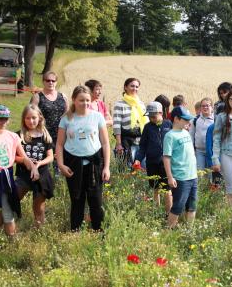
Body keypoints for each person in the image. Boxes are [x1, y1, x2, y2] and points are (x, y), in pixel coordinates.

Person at [0, 104, 38, 242]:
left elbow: (23, 157)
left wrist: (33, 167)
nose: (3, 121)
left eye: (5, 118)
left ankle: (12, 240)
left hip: (6, 179)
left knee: (8, 210)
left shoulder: (13, 137)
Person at [56, 85, 111, 231]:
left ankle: (98, 230)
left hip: (95, 163)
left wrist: (106, 167)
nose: (85, 103)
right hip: (73, 163)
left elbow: (105, 143)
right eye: (81, 100)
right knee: (77, 198)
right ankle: (75, 230)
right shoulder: (66, 119)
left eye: (87, 100)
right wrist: (61, 165)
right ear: (74, 100)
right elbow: (59, 144)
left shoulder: (97, 116)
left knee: (96, 199)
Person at [15, 105, 55, 227]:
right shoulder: (18, 136)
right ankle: (10, 227)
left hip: (41, 175)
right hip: (23, 176)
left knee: (39, 207)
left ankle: (40, 230)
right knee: (12, 200)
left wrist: (39, 163)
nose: (31, 121)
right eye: (27, 118)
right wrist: (25, 161)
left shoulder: (45, 136)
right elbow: (13, 158)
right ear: (23, 119)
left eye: (34, 118)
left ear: (39, 118)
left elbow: (50, 156)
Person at [163, 106, 199, 228]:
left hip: (192, 176)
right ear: (176, 119)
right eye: (185, 119)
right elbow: (166, 157)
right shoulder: (170, 135)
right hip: (181, 177)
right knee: (178, 205)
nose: (188, 122)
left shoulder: (186, 132)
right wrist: (170, 177)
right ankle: (169, 230)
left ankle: (189, 230)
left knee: (192, 205)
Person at [134, 101, 173, 211]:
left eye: (153, 116)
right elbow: (142, 146)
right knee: (155, 188)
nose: (151, 119)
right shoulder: (147, 127)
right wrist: (138, 159)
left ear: (161, 113)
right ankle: (156, 212)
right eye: (150, 116)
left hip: (166, 163)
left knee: (167, 189)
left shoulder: (168, 124)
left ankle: (168, 213)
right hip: (151, 162)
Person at [113, 78, 147, 167]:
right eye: (132, 86)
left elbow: (146, 124)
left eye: (137, 87)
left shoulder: (141, 104)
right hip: (127, 144)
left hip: (142, 144)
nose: (134, 88)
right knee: (127, 170)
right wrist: (119, 144)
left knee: (143, 170)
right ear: (125, 87)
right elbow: (116, 126)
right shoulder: (119, 104)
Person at [30, 71, 68, 148]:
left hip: (61, 134)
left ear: (56, 82)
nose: (50, 82)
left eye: (53, 81)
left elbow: (68, 114)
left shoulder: (63, 97)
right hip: (43, 134)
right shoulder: (37, 97)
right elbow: (31, 115)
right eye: (48, 80)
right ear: (43, 82)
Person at [190, 97, 214, 170]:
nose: (205, 107)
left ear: (212, 107)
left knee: (211, 175)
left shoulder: (216, 120)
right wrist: (192, 150)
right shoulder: (195, 120)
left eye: (207, 105)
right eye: (203, 106)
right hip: (199, 151)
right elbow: (191, 135)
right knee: (200, 174)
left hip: (212, 152)